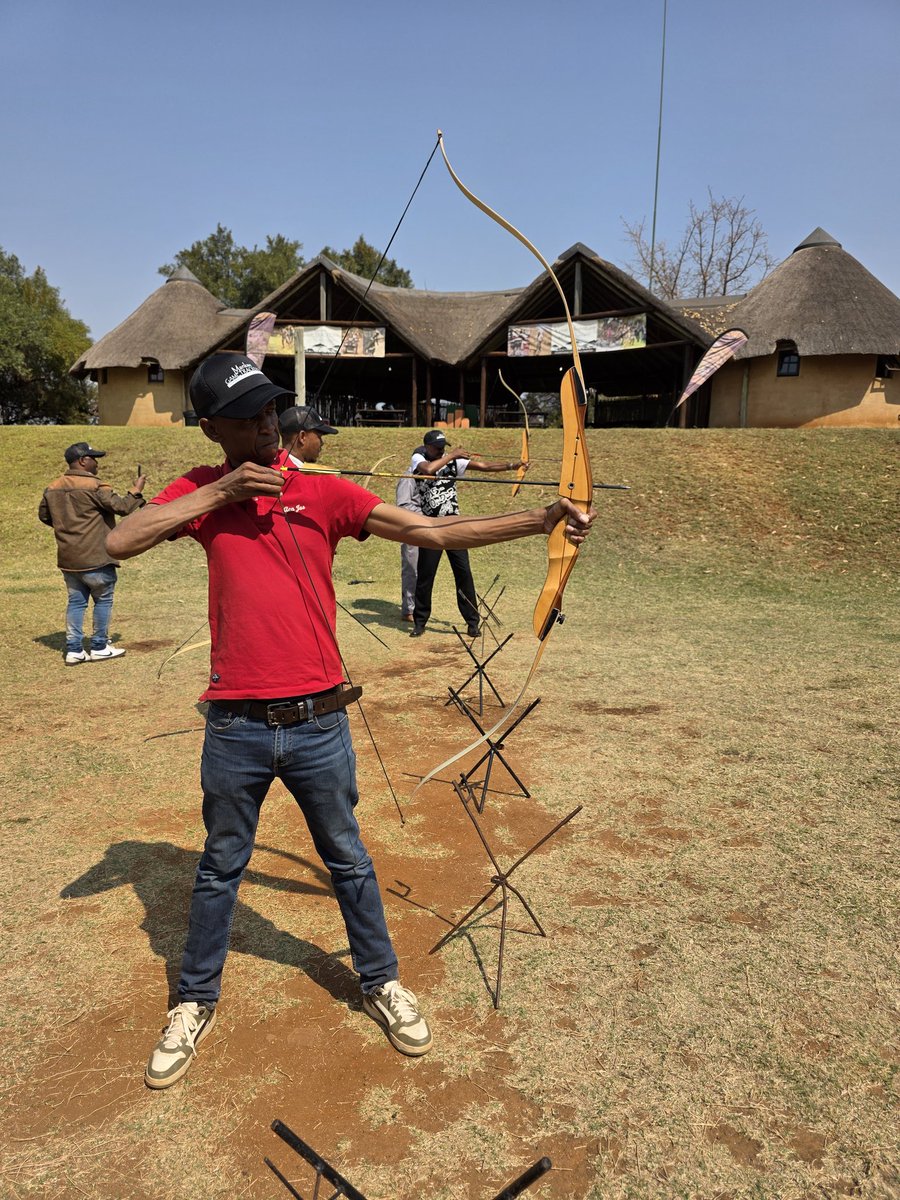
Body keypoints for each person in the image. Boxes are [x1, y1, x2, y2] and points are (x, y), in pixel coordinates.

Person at [105, 352, 593, 1090]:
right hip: (234, 724)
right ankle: (195, 1000)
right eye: (250, 417)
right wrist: (224, 494)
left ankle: (381, 981)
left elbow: (431, 534)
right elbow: (119, 541)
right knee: (219, 867)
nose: (270, 424)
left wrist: (538, 519)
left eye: (273, 411)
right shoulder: (204, 492)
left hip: (318, 721)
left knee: (349, 861)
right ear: (213, 430)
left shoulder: (325, 492)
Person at [409, 430, 528, 638]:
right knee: (426, 576)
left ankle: (472, 622)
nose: (441, 449)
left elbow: (484, 466)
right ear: (427, 446)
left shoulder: (451, 461)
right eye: (437, 447)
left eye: (443, 446)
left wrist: (513, 466)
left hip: (455, 526)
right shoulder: (418, 457)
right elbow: (428, 471)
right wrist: (452, 455)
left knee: (463, 574)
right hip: (430, 527)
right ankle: (420, 622)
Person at [38, 442, 146, 665]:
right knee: (103, 601)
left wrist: (68, 528)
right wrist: (136, 490)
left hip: (69, 559)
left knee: (76, 603)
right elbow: (122, 507)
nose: (97, 462)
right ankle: (99, 646)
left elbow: (45, 516)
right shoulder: (95, 486)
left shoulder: (52, 487)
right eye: (94, 458)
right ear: (82, 461)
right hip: (97, 556)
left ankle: (74, 650)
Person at [395, 471, 423, 621]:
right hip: (411, 529)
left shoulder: (427, 476)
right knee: (411, 570)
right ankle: (408, 610)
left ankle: (420, 607)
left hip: (426, 530)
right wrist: (425, 515)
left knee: (423, 571)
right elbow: (403, 506)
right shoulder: (409, 477)